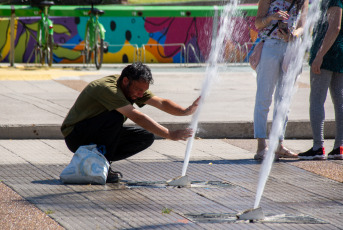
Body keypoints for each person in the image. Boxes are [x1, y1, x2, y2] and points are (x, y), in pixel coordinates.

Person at [61, 62, 200, 182]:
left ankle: (99, 162)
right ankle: (101, 164)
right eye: (139, 90)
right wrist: (169, 134)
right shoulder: (109, 89)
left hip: (95, 132)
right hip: (75, 135)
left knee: (145, 137)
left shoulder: (132, 87)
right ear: (126, 81)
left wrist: (186, 111)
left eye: (144, 91)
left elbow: (161, 103)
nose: (141, 94)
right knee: (115, 116)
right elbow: (137, 117)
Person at [253, 0, 309, 160]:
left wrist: (294, 35)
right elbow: (258, 23)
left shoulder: (302, 0)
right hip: (270, 47)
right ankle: (261, 146)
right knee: (264, 98)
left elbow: (302, 25)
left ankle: (278, 144)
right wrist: (271, 17)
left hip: (290, 48)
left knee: (284, 99)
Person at [298, 0, 343, 160]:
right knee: (340, 101)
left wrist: (319, 55)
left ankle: (318, 146)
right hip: (338, 53)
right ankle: (339, 146)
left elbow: (335, 27)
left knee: (317, 100)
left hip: (327, 55)